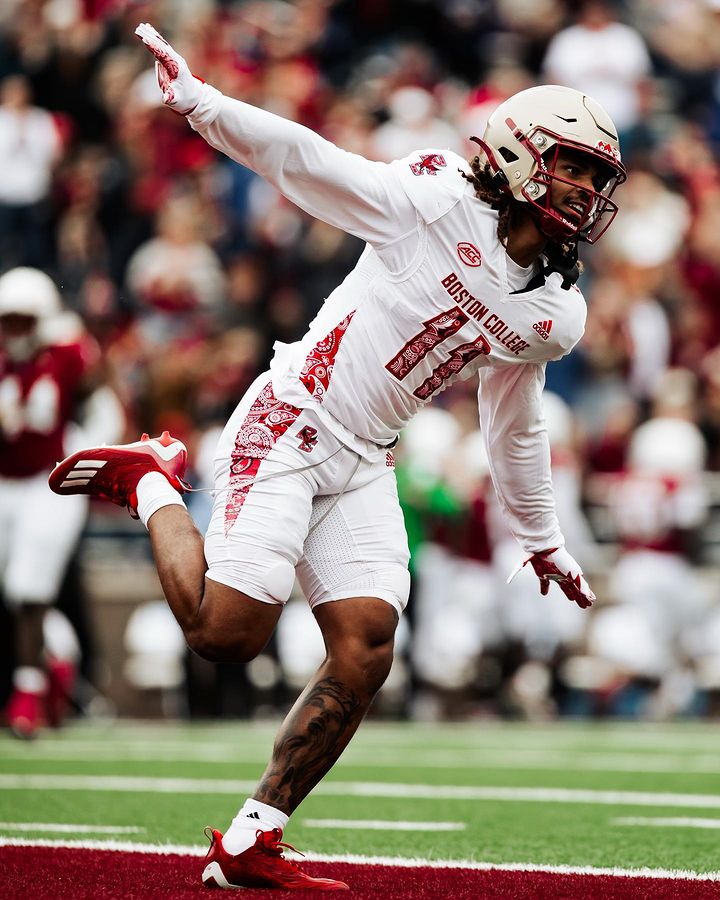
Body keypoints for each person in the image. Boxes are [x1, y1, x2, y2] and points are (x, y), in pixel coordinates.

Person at [49, 22, 626, 891]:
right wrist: (202, 103)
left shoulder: (556, 310)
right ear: (515, 155)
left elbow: (514, 420)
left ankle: (252, 839)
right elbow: (309, 161)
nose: (583, 190)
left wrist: (541, 538)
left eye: (595, 176)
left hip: (366, 457)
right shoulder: (434, 199)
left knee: (365, 645)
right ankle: (152, 480)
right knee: (224, 635)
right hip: (293, 418)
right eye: (571, 165)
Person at [0, 266, 124, 738]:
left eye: (23, 320)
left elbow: (104, 407)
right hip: (5, 480)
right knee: (15, 595)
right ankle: (57, 662)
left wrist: (85, 463)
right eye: (7, 320)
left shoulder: (68, 353)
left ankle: (28, 693)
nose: (14, 331)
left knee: (27, 590)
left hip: (46, 482)